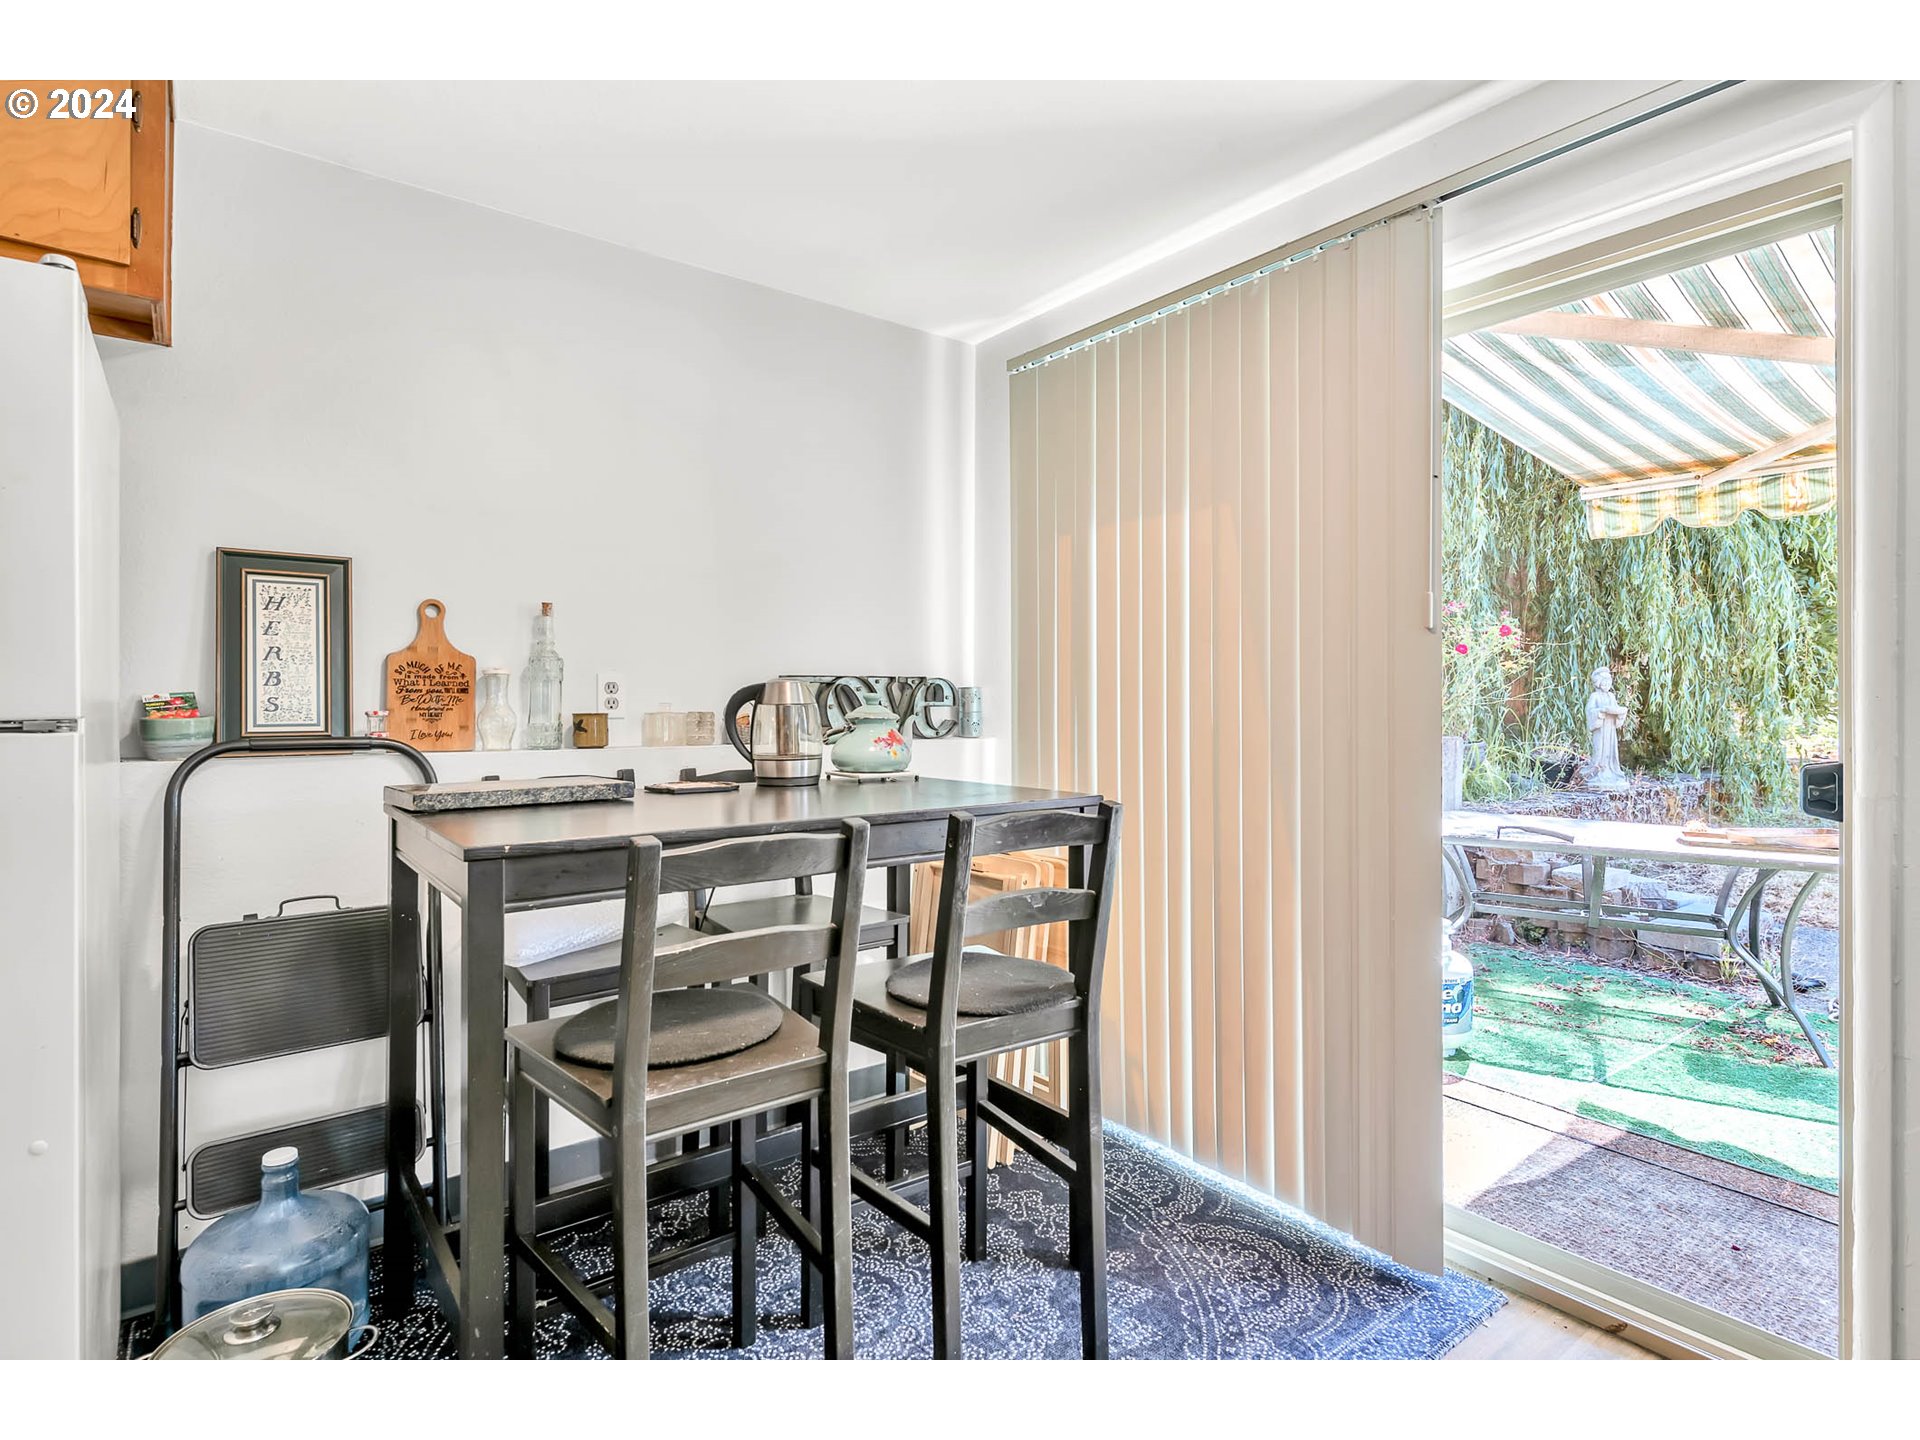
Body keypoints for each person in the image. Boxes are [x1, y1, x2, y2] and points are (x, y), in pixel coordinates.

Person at [1587, 666, 1629, 789]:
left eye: (1609, 682)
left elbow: (1615, 708)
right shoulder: (1594, 696)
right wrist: (1600, 712)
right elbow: (1589, 711)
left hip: (1610, 728)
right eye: (1604, 682)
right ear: (1598, 683)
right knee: (1600, 749)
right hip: (1600, 728)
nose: (1607, 685)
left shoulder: (1611, 696)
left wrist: (1621, 713)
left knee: (1611, 749)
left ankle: (1612, 771)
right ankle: (1599, 771)